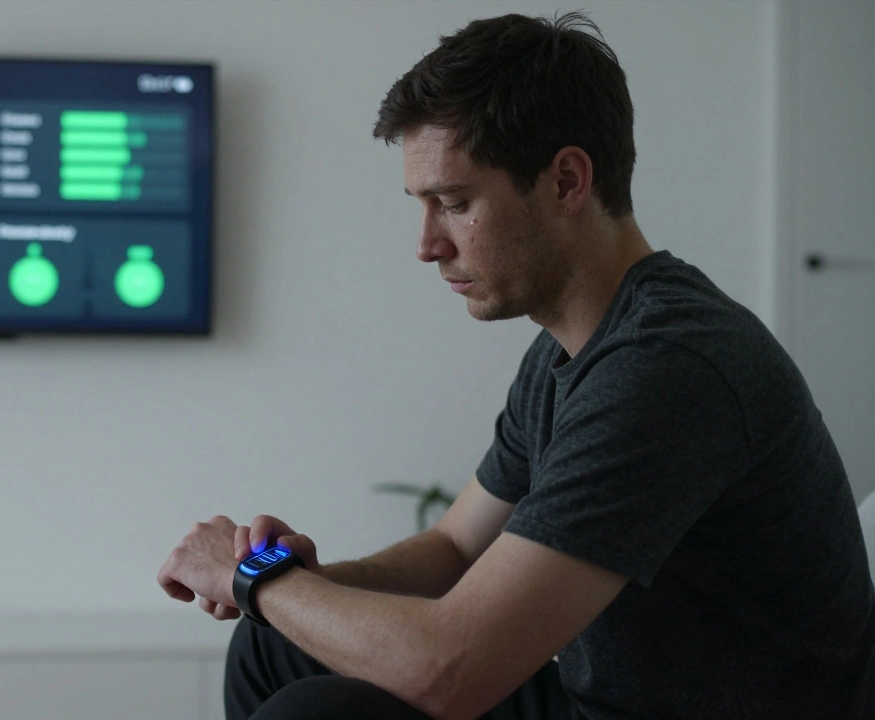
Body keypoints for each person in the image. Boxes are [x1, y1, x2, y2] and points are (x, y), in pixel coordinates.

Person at [155, 11, 875, 720]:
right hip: (599, 701)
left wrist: (257, 578)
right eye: (422, 206)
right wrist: (303, 589)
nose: (427, 245)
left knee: (314, 709)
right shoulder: (569, 348)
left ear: (566, 182)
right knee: (273, 645)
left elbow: (452, 672)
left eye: (455, 203)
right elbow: (455, 547)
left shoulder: (668, 366)